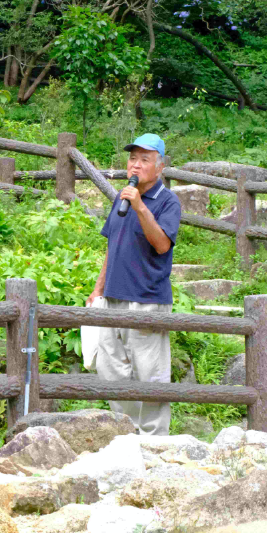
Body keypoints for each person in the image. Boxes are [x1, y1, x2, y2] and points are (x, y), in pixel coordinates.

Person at [87, 133, 181, 436]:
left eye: (144, 159)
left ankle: (155, 443)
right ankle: (127, 434)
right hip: (113, 297)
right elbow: (112, 245)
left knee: (150, 378)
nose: (136, 165)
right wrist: (98, 288)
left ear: (160, 166)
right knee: (112, 374)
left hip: (148, 300)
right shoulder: (122, 195)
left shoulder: (168, 202)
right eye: (133, 158)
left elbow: (162, 245)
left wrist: (140, 205)